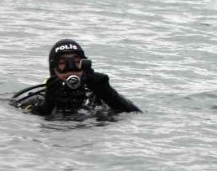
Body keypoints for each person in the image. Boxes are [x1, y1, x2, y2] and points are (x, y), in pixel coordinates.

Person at [12, 39, 141, 116]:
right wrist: (47, 106)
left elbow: (135, 115)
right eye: (63, 63)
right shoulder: (38, 99)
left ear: (85, 66)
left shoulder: (97, 99)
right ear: (53, 69)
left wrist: (109, 94)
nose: (70, 68)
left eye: (76, 62)